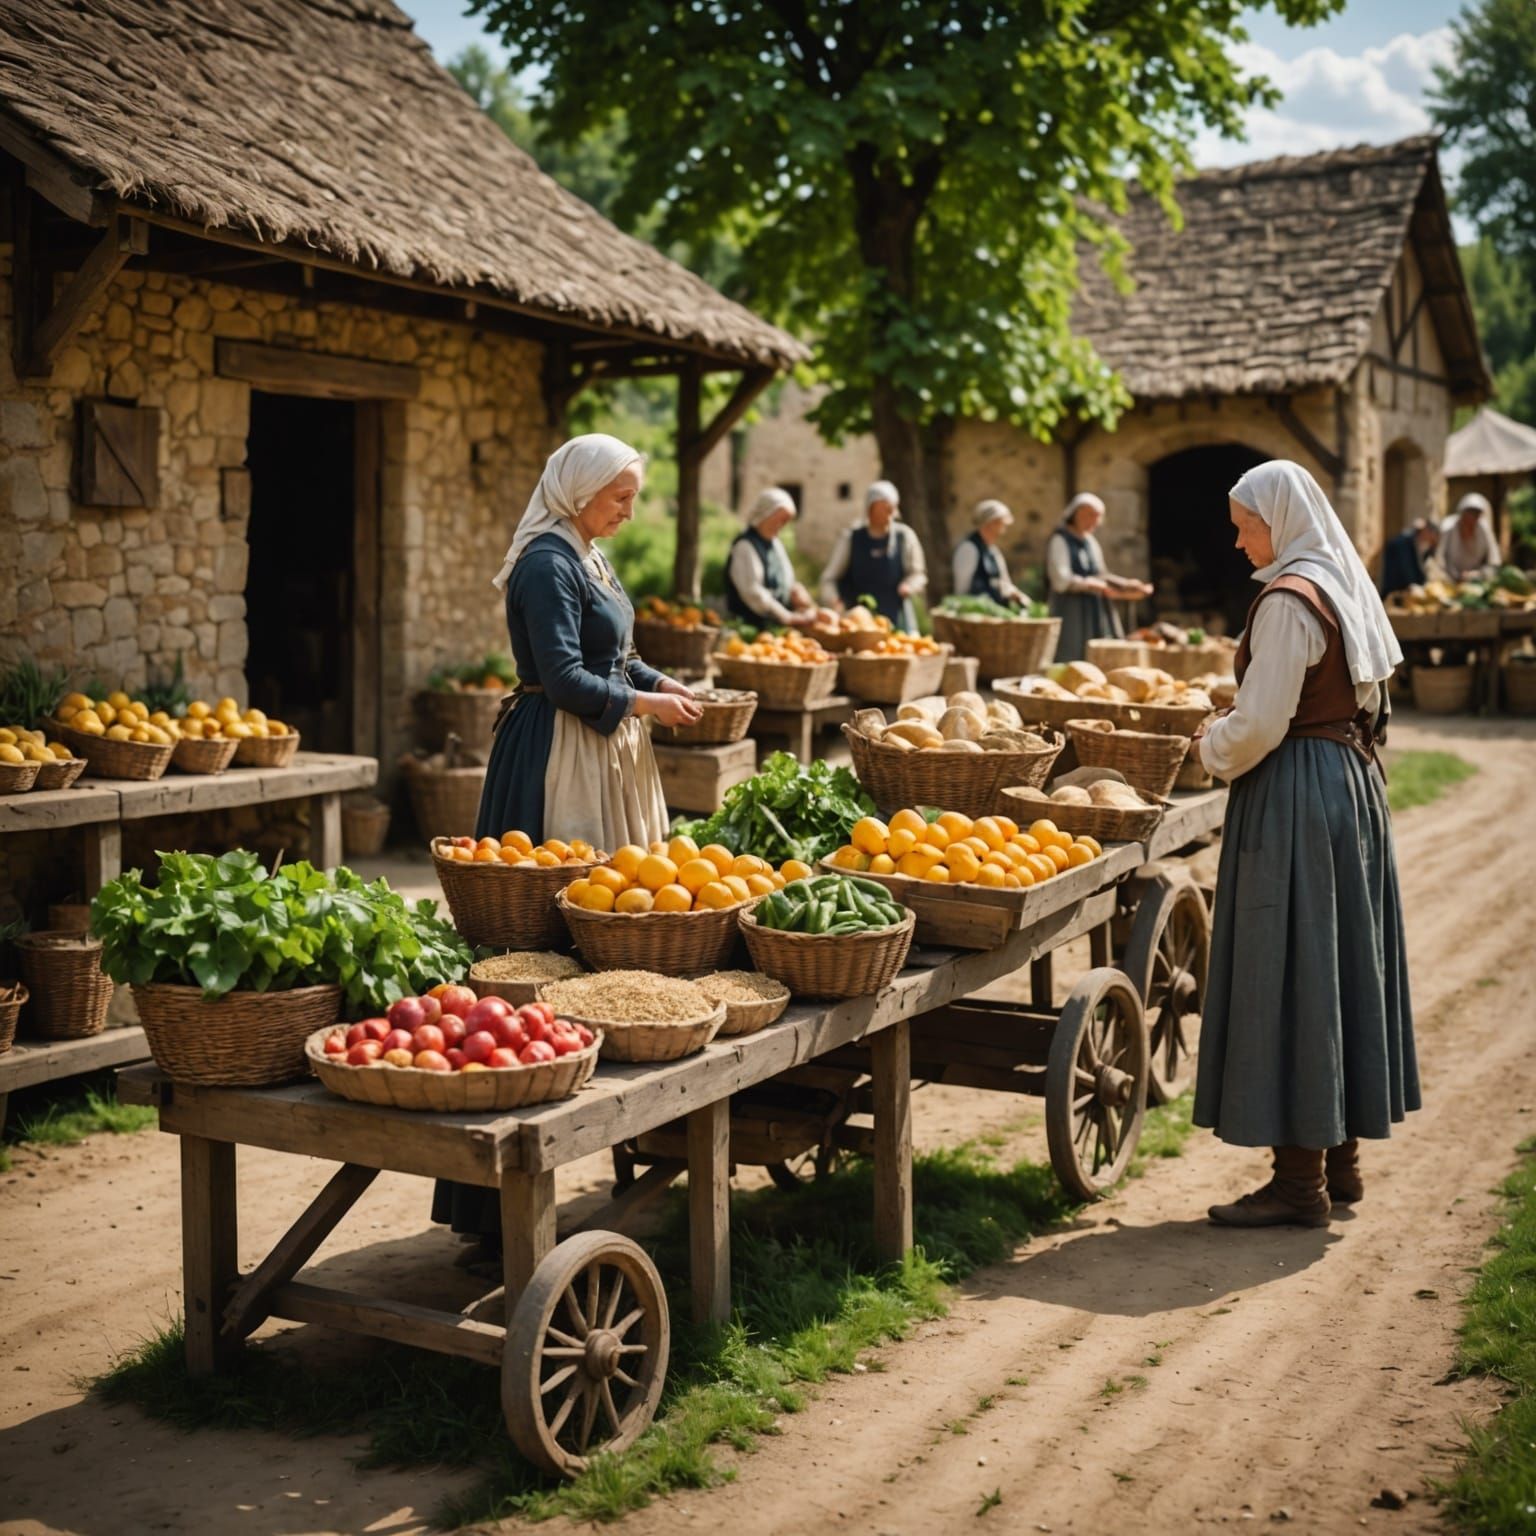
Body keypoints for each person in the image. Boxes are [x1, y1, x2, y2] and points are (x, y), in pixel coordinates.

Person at [436, 435, 705, 1257]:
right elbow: (560, 676)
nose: (630, 511)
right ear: (580, 490)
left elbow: (614, 653)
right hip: (561, 760)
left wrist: (662, 686)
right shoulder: (546, 563)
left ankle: (605, 1128)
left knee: (611, 937)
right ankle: (497, 1198)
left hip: (604, 749)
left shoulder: (585, 553)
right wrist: (643, 709)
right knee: (547, 947)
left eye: (633, 496)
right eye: (620, 496)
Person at [1193, 459, 1417, 1228]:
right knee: (1341, 963)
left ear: (1280, 520)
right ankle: (1341, 1162)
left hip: (1298, 793)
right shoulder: (1338, 582)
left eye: (1244, 525)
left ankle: (1299, 1184)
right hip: (1348, 787)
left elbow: (1260, 725)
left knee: (1292, 968)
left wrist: (1207, 746)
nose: (1237, 541)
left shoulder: (1289, 602)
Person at [1045, 493, 1153, 661]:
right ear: (1077, 513)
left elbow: (1101, 573)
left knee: (1098, 652)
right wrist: (1090, 584)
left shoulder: (1090, 542)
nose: (1095, 522)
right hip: (1070, 608)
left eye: (1097, 518)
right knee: (1071, 651)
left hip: (1095, 607)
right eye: (1090, 516)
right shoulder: (1060, 540)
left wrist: (1125, 584)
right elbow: (1061, 579)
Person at [818, 479, 927, 631]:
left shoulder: (905, 537)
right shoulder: (851, 538)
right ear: (870, 509)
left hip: (897, 619)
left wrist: (909, 586)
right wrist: (833, 599)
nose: (888, 513)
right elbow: (829, 578)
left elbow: (918, 574)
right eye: (883, 508)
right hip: (857, 622)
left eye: (891, 508)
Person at [724, 487, 819, 627]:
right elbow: (752, 592)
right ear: (766, 514)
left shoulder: (775, 544)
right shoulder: (744, 546)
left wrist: (796, 592)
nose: (782, 525)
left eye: (786, 521)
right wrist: (786, 617)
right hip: (749, 626)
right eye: (780, 519)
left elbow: (786, 578)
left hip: (775, 627)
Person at [951, 499, 1027, 607]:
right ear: (992, 523)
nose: (1004, 528)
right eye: (1001, 523)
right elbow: (961, 590)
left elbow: (1003, 582)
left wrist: (1016, 594)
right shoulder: (968, 549)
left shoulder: (992, 550)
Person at [1437, 492, 1501, 581]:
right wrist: (1456, 576)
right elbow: (1439, 560)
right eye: (1469, 514)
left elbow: (1493, 560)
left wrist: (1478, 574)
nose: (1471, 520)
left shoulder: (1484, 529)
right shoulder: (1448, 528)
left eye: (1475, 516)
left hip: (1477, 581)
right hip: (1450, 579)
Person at [1378, 518, 1440, 597]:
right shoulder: (1402, 543)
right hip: (1396, 593)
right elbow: (1404, 569)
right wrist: (1412, 585)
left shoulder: (1424, 546)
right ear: (1426, 531)